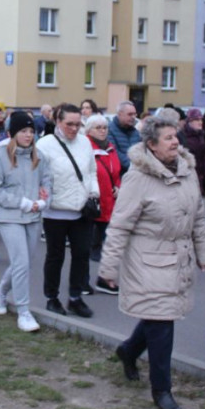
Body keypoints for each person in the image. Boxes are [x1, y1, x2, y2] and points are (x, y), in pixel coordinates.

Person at [100, 114, 205, 409]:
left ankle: (129, 350)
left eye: (176, 136)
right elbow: (120, 226)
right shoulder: (138, 178)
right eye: (168, 138)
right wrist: (108, 268)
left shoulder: (188, 172)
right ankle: (162, 389)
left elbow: (198, 217)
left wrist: (203, 252)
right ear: (151, 145)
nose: (176, 141)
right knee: (162, 322)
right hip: (146, 258)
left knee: (158, 316)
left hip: (178, 255)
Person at [0, 111, 51, 332]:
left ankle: (0, 291)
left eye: (31, 131)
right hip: (9, 216)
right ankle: (24, 311)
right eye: (23, 131)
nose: (28, 135)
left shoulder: (39, 156)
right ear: (12, 133)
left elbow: (47, 182)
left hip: (33, 215)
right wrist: (22, 202)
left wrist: (43, 200)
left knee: (22, 263)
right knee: (22, 263)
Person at [36, 103, 100, 318]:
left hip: (81, 209)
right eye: (69, 124)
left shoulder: (84, 142)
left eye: (77, 124)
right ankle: (51, 297)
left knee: (82, 254)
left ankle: (75, 297)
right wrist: (42, 196)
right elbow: (37, 175)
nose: (74, 128)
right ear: (58, 122)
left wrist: (93, 194)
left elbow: (91, 172)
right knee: (55, 256)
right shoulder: (45, 144)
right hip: (56, 211)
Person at [84, 113, 121, 288]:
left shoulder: (110, 147)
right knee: (92, 240)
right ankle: (87, 279)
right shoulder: (85, 146)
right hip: (94, 200)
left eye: (105, 127)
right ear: (89, 130)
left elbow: (116, 172)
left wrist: (118, 187)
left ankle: (103, 276)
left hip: (110, 200)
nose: (102, 131)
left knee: (107, 237)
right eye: (98, 128)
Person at [182, 108, 205, 194]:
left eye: (201, 119)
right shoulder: (184, 135)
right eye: (197, 120)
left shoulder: (200, 134)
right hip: (189, 173)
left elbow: (203, 155)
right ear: (190, 121)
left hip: (201, 173)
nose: (200, 122)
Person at [107, 101, 141, 175]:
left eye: (135, 114)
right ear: (119, 114)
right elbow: (115, 152)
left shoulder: (135, 132)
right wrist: (134, 167)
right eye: (130, 114)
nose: (133, 117)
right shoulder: (109, 130)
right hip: (120, 176)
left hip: (136, 174)